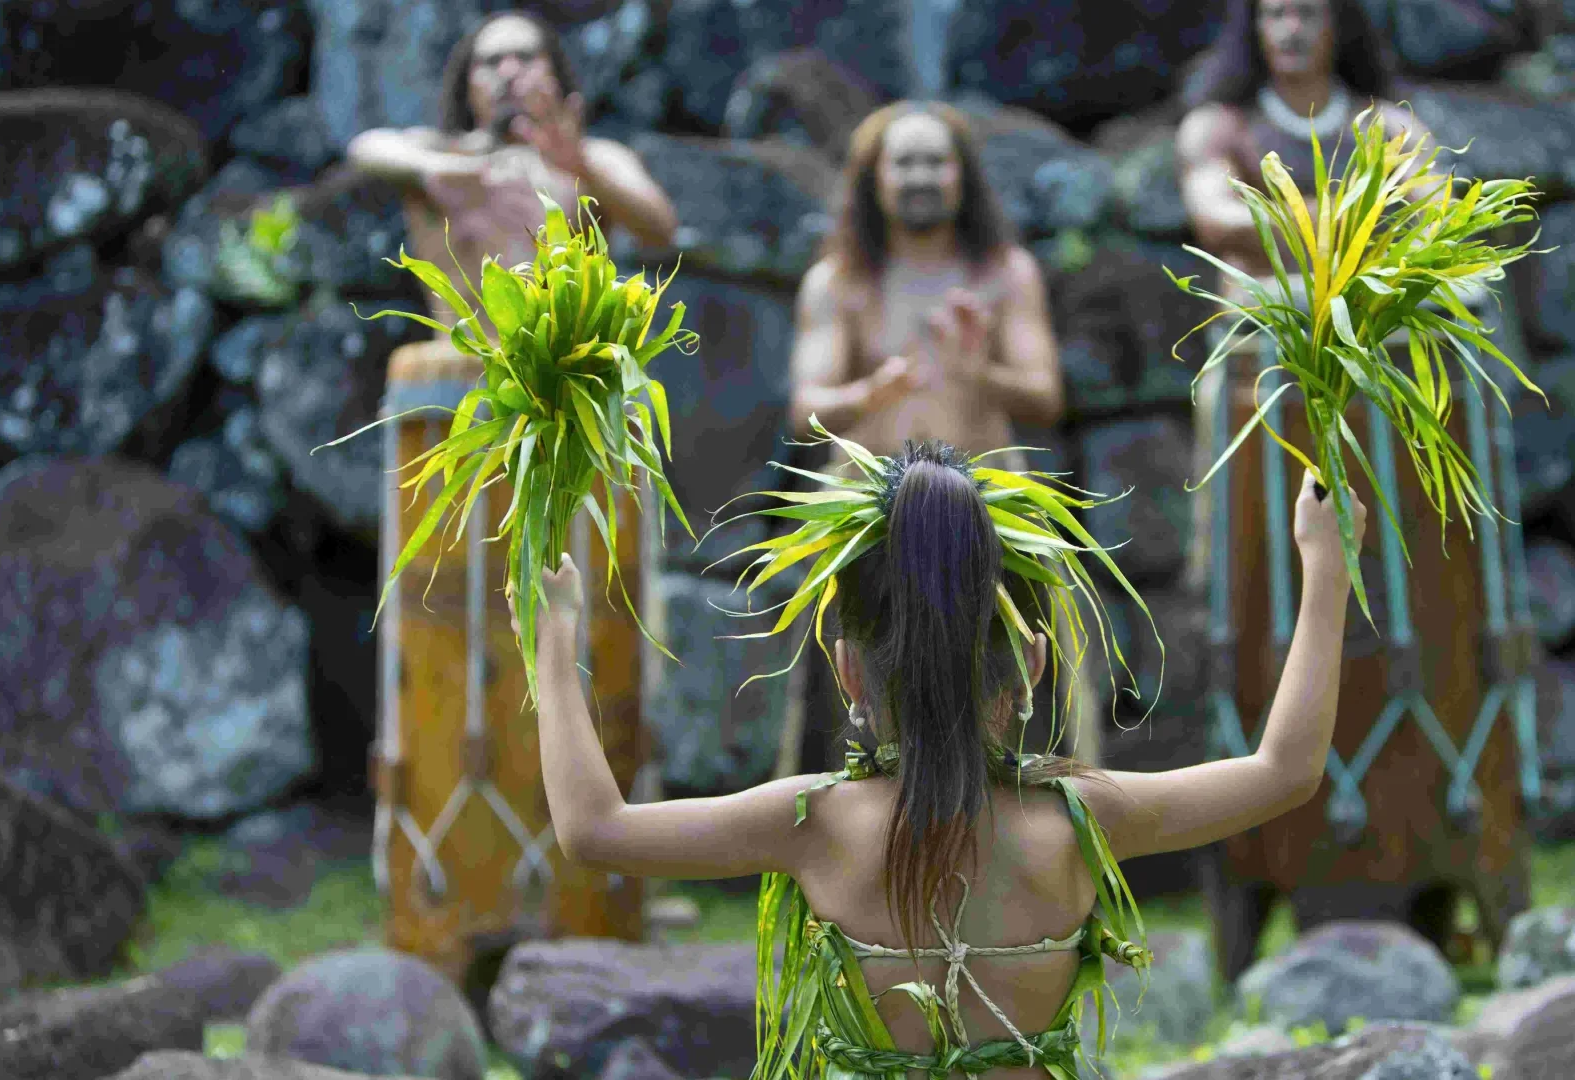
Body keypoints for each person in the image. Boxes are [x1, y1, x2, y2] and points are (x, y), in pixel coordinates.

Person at [510, 442, 1367, 1077]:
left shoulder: (813, 823)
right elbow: (1283, 769)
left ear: (848, 671)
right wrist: (1326, 567)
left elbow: (594, 829)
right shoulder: (1080, 818)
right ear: (1031, 667)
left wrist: (554, 638)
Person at [345, 10, 679, 336]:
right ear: (467, 81)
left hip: (562, 378)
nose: (507, 71)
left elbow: (662, 232)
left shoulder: (595, 157)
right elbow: (365, 147)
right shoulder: (435, 153)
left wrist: (582, 169)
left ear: (554, 71)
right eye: (490, 61)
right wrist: (443, 171)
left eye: (525, 56)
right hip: (453, 369)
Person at [788, 102, 1064, 469]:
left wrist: (978, 374)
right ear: (875, 177)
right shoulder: (836, 282)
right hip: (867, 500)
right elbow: (805, 411)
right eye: (903, 163)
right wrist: (871, 394)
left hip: (985, 500)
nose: (920, 177)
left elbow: (1046, 400)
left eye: (935, 162)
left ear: (962, 175)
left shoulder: (1008, 273)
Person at [1177, 0, 1422, 276]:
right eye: (1276, 14)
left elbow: (1433, 211)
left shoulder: (1389, 126)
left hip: (1369, 311)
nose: (1292, 29)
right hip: (1262, 313)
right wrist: (1339, 216)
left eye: (1308, 13)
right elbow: (1215, 219)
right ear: (1255, 27)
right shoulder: (1219, 128)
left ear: (1338, 25)